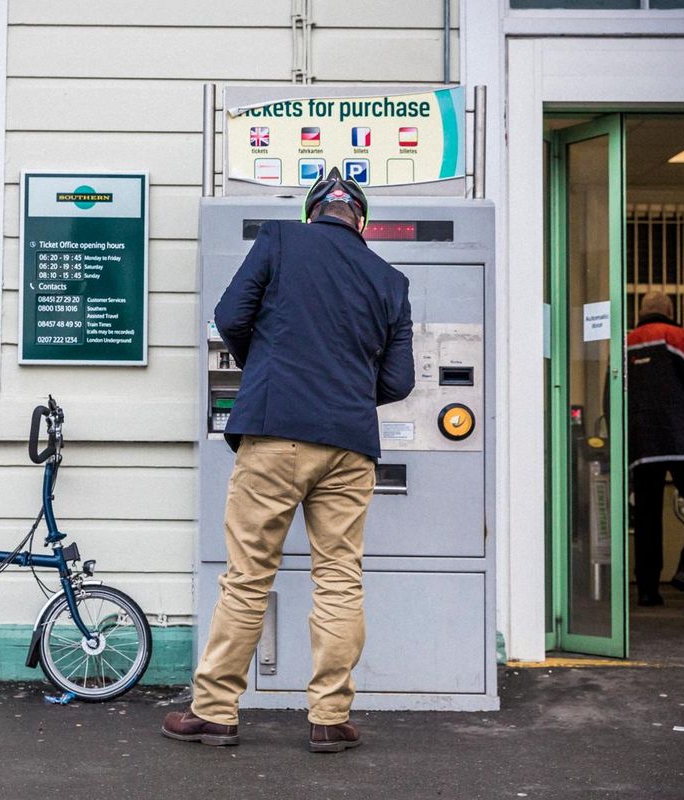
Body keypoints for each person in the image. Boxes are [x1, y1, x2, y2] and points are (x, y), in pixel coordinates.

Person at [162, 168, 414, 753]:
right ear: (362, 222)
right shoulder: (390, 279)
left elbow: (229, 318)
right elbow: (398, 379)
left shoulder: (278, 240)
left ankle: (216, 712)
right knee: (339, 579)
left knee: (248, 576)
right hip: (349, 445)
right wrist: (346, 391)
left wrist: (268, 371)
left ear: (312, 212)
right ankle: (329, 717)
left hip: (274, 434)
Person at [627, 291, 684, 606]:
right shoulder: (678, 337)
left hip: (642, 445)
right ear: (669, 310)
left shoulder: (624, 343)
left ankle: (647, 590)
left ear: (642, 311)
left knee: (647, 518)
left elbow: (612, 394)